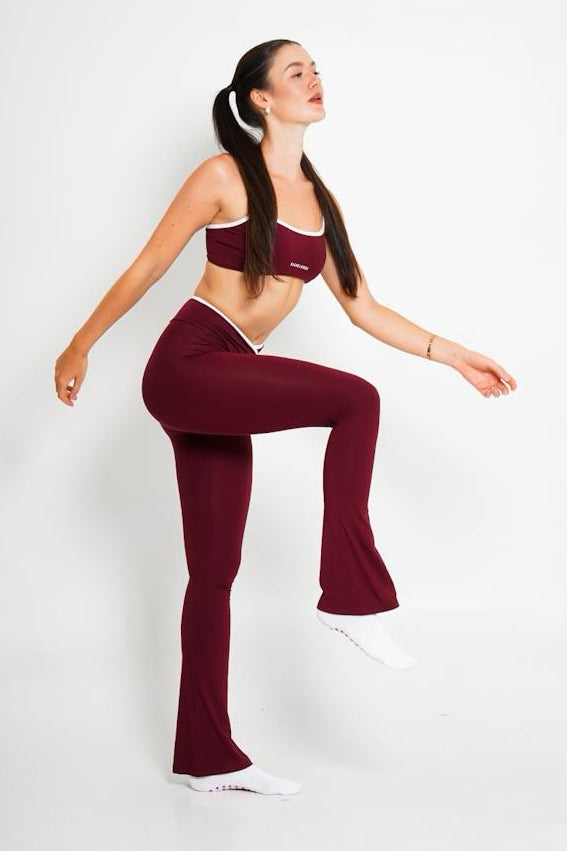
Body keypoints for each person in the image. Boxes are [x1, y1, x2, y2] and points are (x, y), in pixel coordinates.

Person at [54, 39, 517, 796]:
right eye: (295, 71)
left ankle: (206, 756)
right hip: (190, 364)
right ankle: (351, 598)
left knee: (213, 573)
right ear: (260, 99)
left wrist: (452, 352)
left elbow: (361, 305)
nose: (313, 78)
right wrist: (79, 345)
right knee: (353, 398)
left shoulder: (317, 199)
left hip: (229, 375)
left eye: (316, 69)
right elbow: (147, 262)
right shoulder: (222, 175)